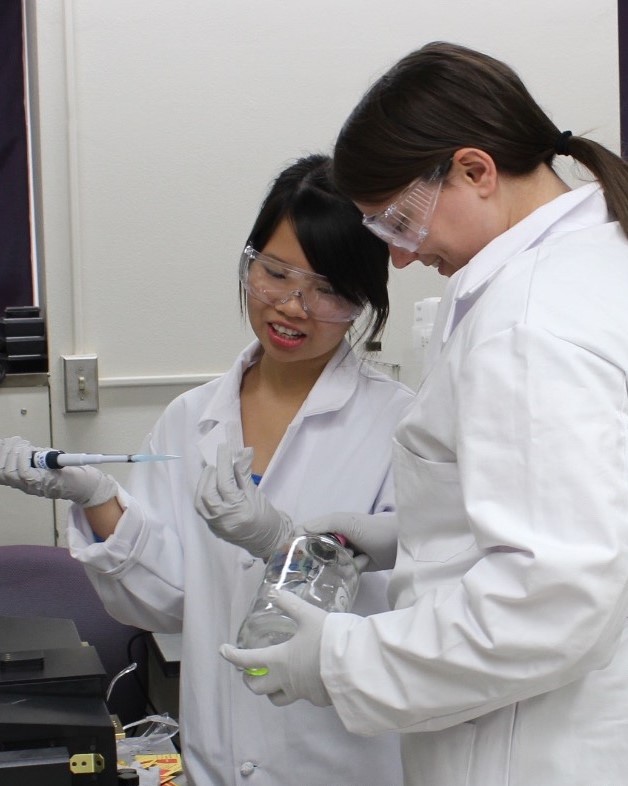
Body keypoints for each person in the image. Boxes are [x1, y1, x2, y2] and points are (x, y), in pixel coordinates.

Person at [219, 42, 628, 786]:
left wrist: (342, 659)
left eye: (400, 223)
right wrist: (406, 539)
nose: (401, 259)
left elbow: (552, 599)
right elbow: (576, 507)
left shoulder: (531, 322)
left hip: (530, 747)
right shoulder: (586, 267)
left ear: (474, 170)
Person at [0, 153, 412, 786]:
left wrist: (284, 544)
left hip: (343, 760)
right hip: (215, 759)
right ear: (250, 263)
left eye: (328, 288)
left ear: (363, 301)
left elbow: (406, 609)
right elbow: (166, 602)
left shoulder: (399, 424)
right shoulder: (191, 418)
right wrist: (99, 498)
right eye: (276, 273)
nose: (295, 306)